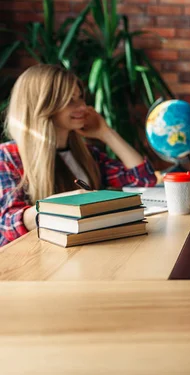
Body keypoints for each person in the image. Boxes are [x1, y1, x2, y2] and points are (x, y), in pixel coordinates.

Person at [0, 64, 157, 247]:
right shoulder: (8, 156)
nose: (83, 107)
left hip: (86, 249)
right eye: (70, 100)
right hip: (34, 262)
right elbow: (8, 224)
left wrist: (106, 133)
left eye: (81, 98)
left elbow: (144, 180)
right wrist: (62, 205)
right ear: (43, 105)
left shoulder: (86, 154)